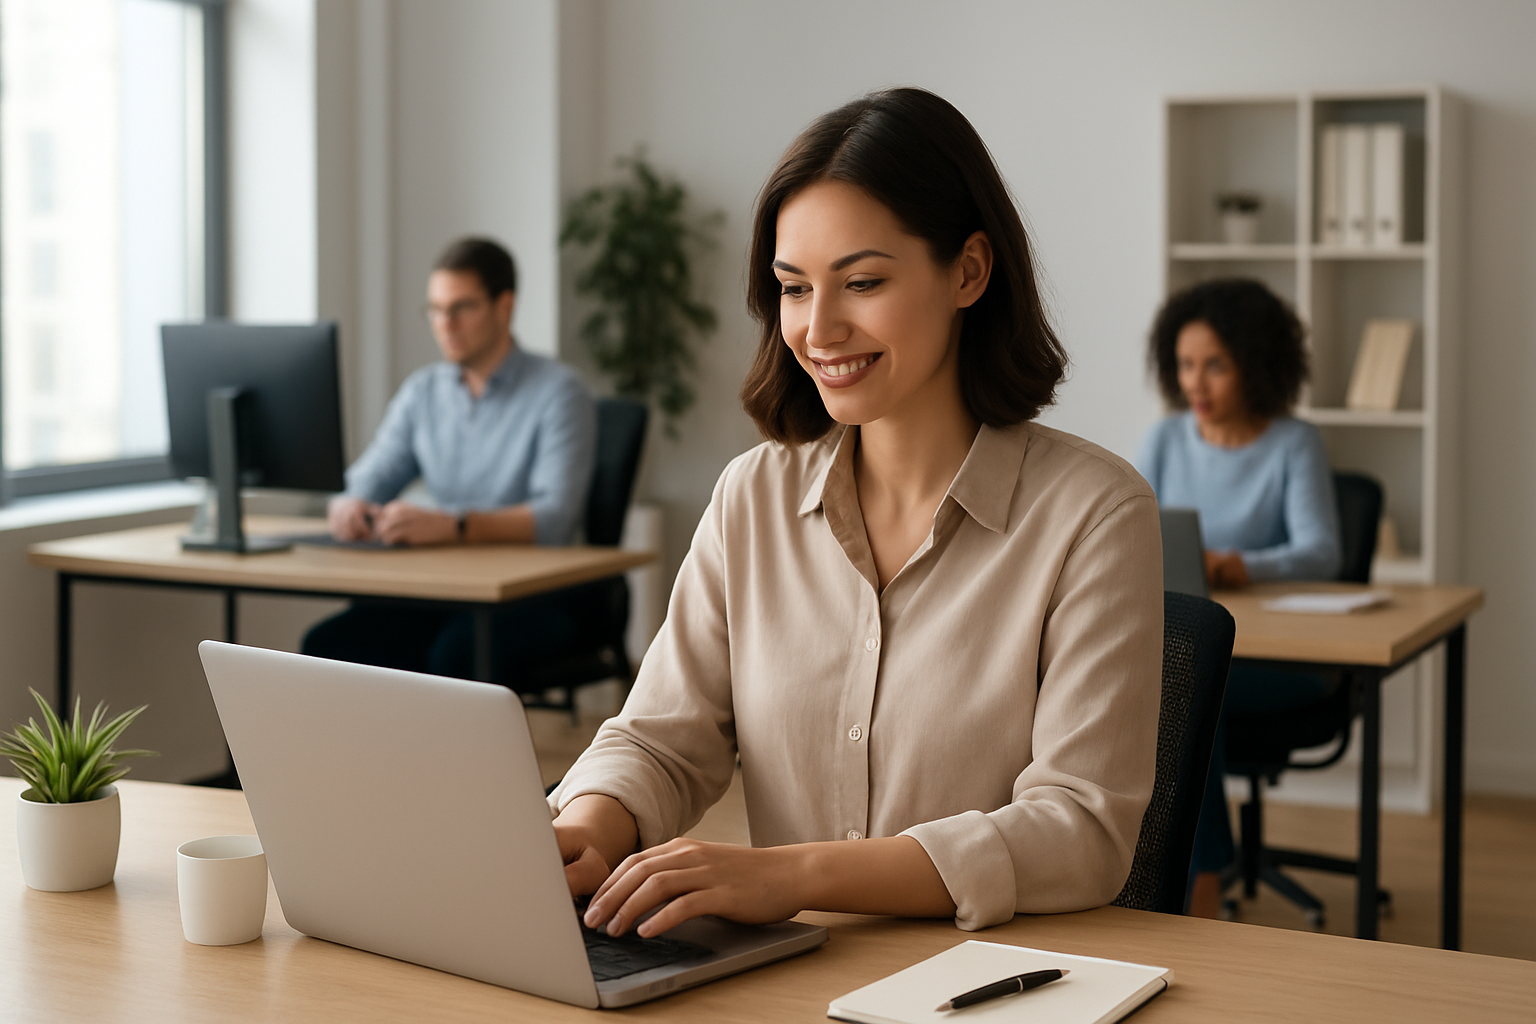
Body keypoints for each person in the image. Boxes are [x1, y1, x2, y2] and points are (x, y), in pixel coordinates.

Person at [548, 88, 1162, 940]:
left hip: (991, 984)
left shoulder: (1096, 514)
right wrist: (584, 827)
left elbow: (1080, 830)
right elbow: (659, 740)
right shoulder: (751, 498)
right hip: (784, 984)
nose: (818, 328)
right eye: (793, 288)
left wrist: (792, 875)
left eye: (862, 282)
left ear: (969, 272)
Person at [301, 236, 597, 683]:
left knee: (456, 659)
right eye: (436, 310)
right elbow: (371, 475)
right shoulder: (423, 392)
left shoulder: (559, 392)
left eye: (461, 308)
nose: (446, 323)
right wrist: (349, 504)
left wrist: (453, 525)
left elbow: (555, 518)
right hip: (444, 588)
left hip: (533, 596)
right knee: (327, 647)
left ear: (504, 306)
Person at [1137, 276, 1342, 917]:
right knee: (1173, 679)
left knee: (1194, 687)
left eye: (1215, 365)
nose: (1196, 383)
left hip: (1285, 664)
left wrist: (1241, 566)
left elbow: (1321, 552)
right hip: (1199, 642)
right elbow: (1135, 534)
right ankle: (1159, 869)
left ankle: (1198, 882)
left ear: (1256, 364)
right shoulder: (1168, 440)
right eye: (1187, 365)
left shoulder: (1294, 443)